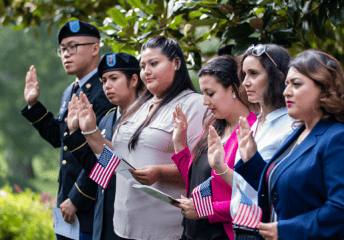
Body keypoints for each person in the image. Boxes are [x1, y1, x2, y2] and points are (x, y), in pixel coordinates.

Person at [73, 35, 207, 240]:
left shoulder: (194, 105)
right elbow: (116, 164)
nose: (147, 71)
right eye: (144, 66)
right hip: (123, 226)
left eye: (154, 63)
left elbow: (201, 170)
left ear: (177, 63)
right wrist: (90, 131)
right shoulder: (138, 107)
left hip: (167, 229)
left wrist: (160, 172)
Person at [234, 50, 344, 239]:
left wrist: (288, 230)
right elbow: (283, 191)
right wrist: (252, 160)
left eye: (297, 84)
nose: (286, 92)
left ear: (324, 89)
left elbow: (339, 208)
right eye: (286, 84)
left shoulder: (336, 138)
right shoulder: (298, 134)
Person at [21, 20, 114, 240]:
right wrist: (34, 105)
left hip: (89, 204)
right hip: (67, 204)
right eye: (62, 49)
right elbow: (59, 138)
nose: (66, 54)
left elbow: (106, 155)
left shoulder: (106, 91)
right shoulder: (70, 91)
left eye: (73, 46)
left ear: (94, 48)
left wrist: (77, 198)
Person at [206, 44, 295, 233]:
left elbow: (281, 192)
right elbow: (246, 188)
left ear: (277, 76)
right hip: (242, 228)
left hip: (267, 229)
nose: (245, 82)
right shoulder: (255, 124)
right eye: (244, 74)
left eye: (254, 73)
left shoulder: (291, 127)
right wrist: (220, 166)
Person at [171, 56, 257, 240]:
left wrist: (207, 210)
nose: (204, 101)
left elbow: (254, 197)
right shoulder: (214, 126)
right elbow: (196, 180)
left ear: (233, 89)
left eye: (210, 93)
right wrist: (179, 144)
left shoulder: (254, 131)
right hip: (193, 232)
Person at [63, 52, 144, 240]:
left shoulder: (147, 118)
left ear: (133, 80)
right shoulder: (107, 119)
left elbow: (125, 169)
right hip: (104, 222)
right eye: (104, 80)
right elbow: (101, 170)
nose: (107, 85)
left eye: (114, 78)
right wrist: (76, 132)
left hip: (135, 221)